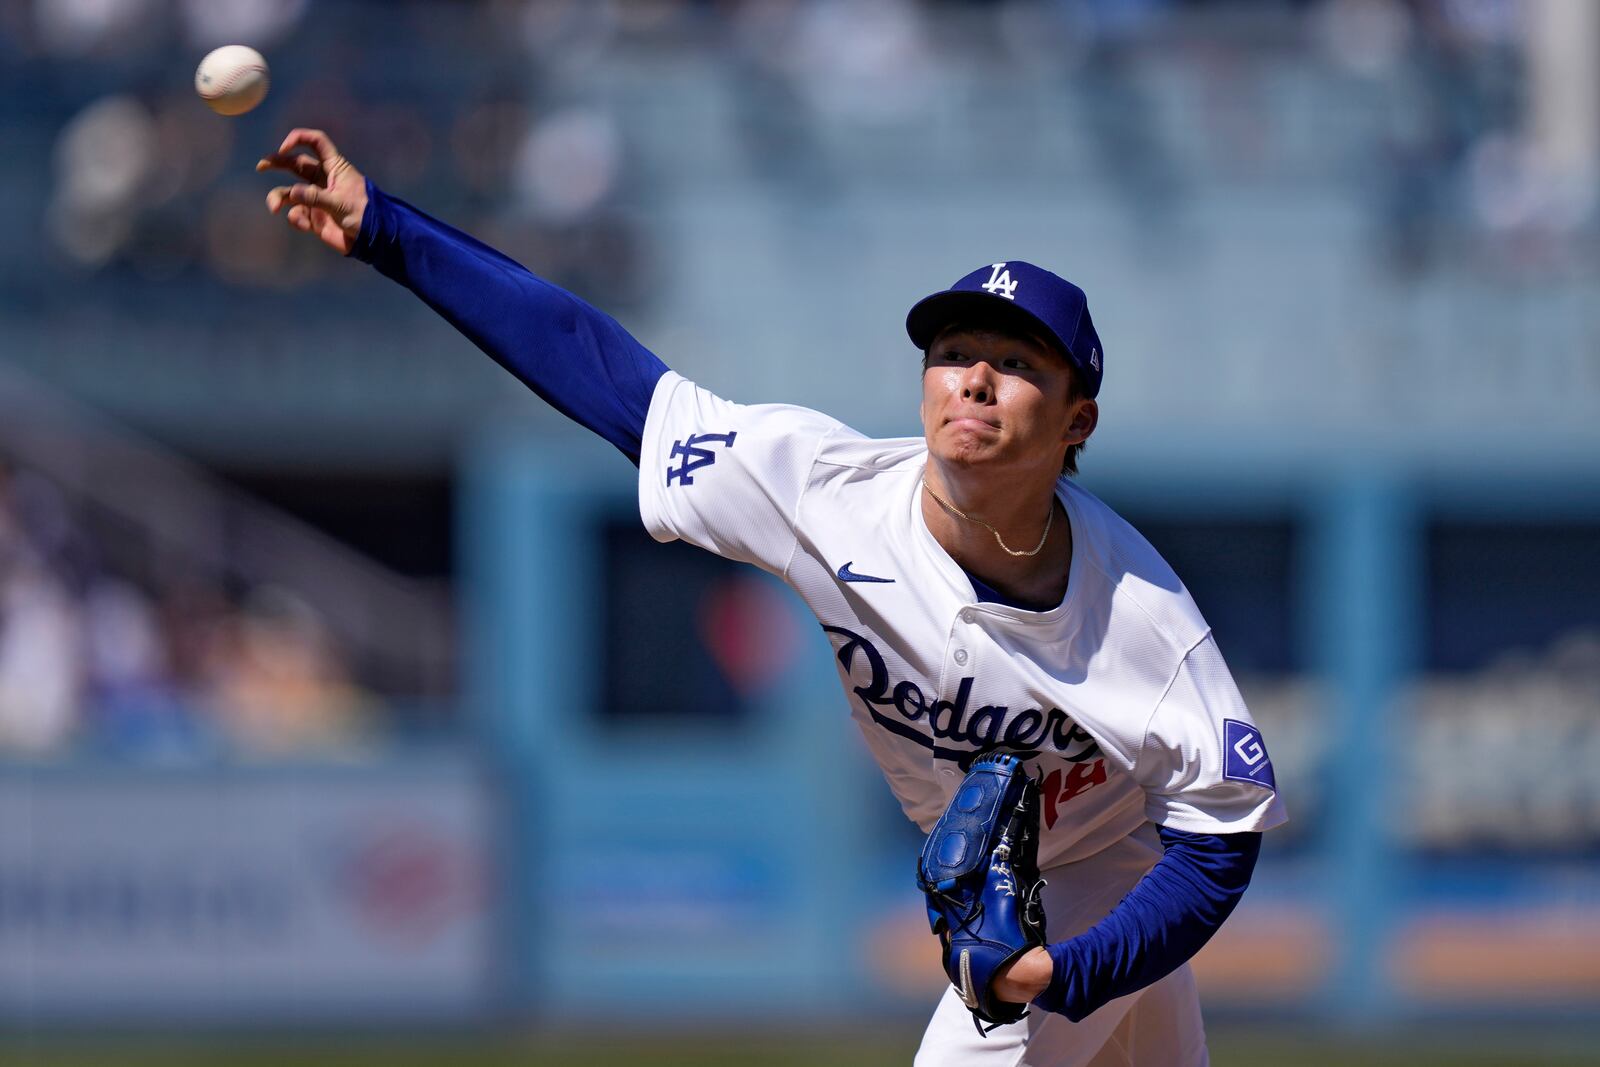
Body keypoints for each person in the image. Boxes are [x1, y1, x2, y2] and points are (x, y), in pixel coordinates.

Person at [259, 128, 1286, 1066]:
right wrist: (387, 229)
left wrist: (1071, 972)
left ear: (1075, 420)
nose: (971, 379)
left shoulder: (1138, 612)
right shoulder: (821, 488)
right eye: (952, 352)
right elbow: (605, 374)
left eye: (1015, 364)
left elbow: (1214, 844)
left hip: (1111, 862)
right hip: (1035, 878)